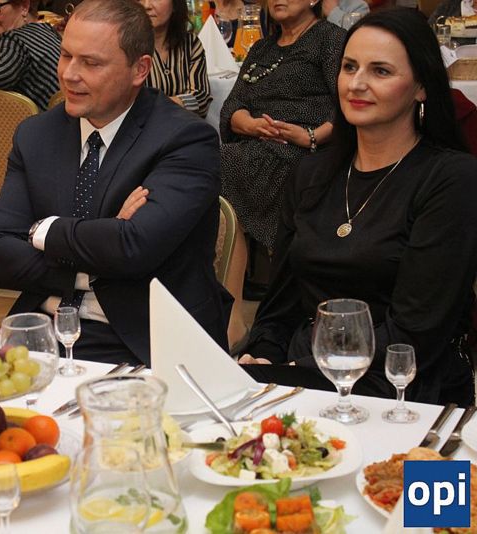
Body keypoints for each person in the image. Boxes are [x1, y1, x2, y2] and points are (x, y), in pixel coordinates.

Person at [239, 8, 477, 406]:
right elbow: (279, 304)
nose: (357, 83)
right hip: (303, 378)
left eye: (380, 71)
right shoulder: (311, 174)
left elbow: (415, 333)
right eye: (349, 67)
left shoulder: (451, 179)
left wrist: (301, 371)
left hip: (402, 390)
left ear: (421, 87)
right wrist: (264, 354)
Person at [0, 0, 231, 366]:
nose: (69, 74)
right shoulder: (36, 134)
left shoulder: (184, 139)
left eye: (91, 63)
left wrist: (42, 231)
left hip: (144, 341)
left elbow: (133, 247)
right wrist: (104, 242)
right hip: (42, 334)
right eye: (66, 56)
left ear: (139, 69)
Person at [219, 0, 345, 348]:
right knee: (211, 165)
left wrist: (311, 136)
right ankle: (232, 316)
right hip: (255, 146)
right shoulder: (262, 47)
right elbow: (232, 106)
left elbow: (347, 103)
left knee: (238, 166)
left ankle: (279, 319)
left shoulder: (329, 39)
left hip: (308, 149)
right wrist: (249, 124)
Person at [139, 0, 211, 117]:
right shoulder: (128, 46)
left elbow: (201, 100)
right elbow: (129, 105)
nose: (146, 5)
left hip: (185, 125)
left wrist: (155, 105)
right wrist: (182, 102)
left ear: (175, 4)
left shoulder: (190, 44)